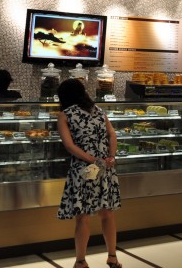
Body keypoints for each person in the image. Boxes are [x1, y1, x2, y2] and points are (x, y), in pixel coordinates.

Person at [56, 78, 122, 268]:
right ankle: (112, 257)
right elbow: (112, 134)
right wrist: (110, 157)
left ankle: (81, 261)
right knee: (107, 213)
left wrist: (92, 160)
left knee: (83, 216)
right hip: (104, 166)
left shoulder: (65, 115)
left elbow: (69, 146)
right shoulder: (99, 111)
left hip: (84, 168)